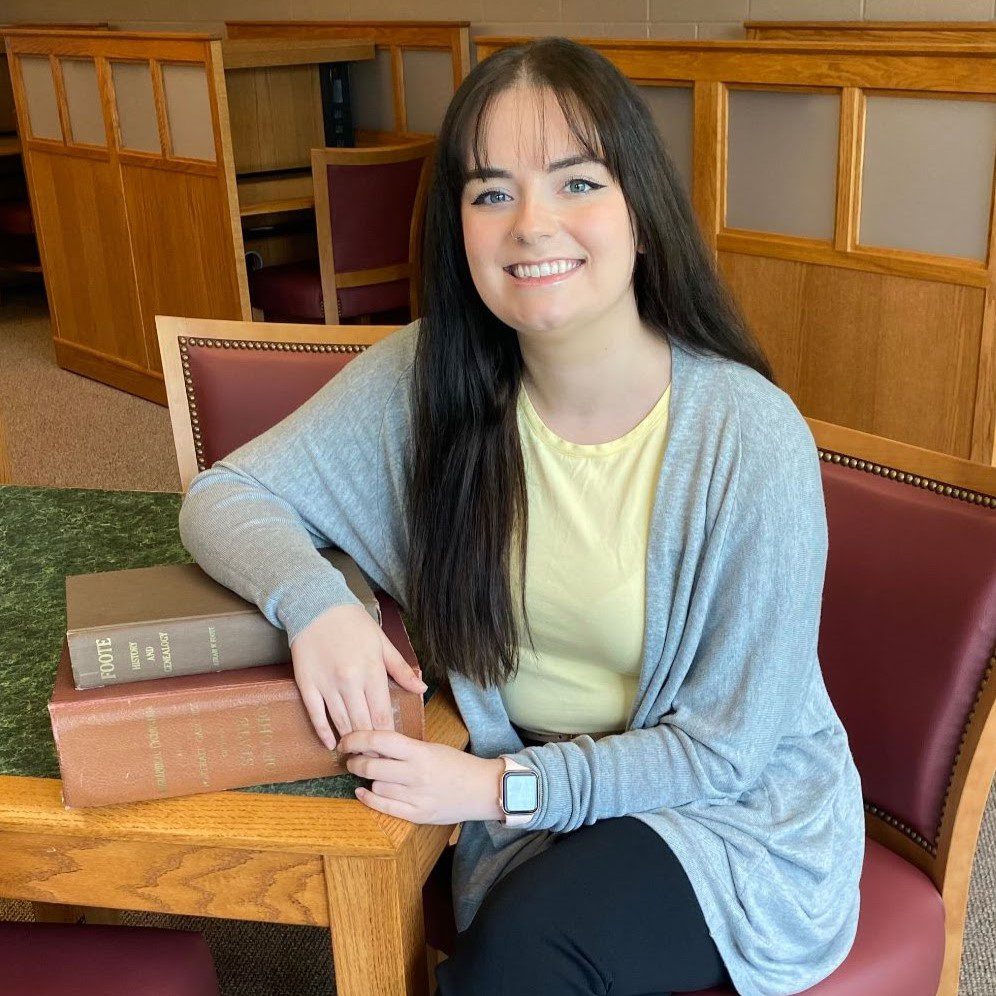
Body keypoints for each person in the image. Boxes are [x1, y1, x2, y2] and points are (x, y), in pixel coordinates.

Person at [179, 37, 864, 996]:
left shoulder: (749, 437)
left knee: (523, 958)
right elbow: (225, 496)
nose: (531, 225)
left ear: (641, 211)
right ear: (458, 229)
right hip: (519, 790)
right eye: (491, 193)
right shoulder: (424, 384)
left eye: (575, 182)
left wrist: (504, 792)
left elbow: (727, 748)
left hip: (727, 813)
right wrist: (315, 603)